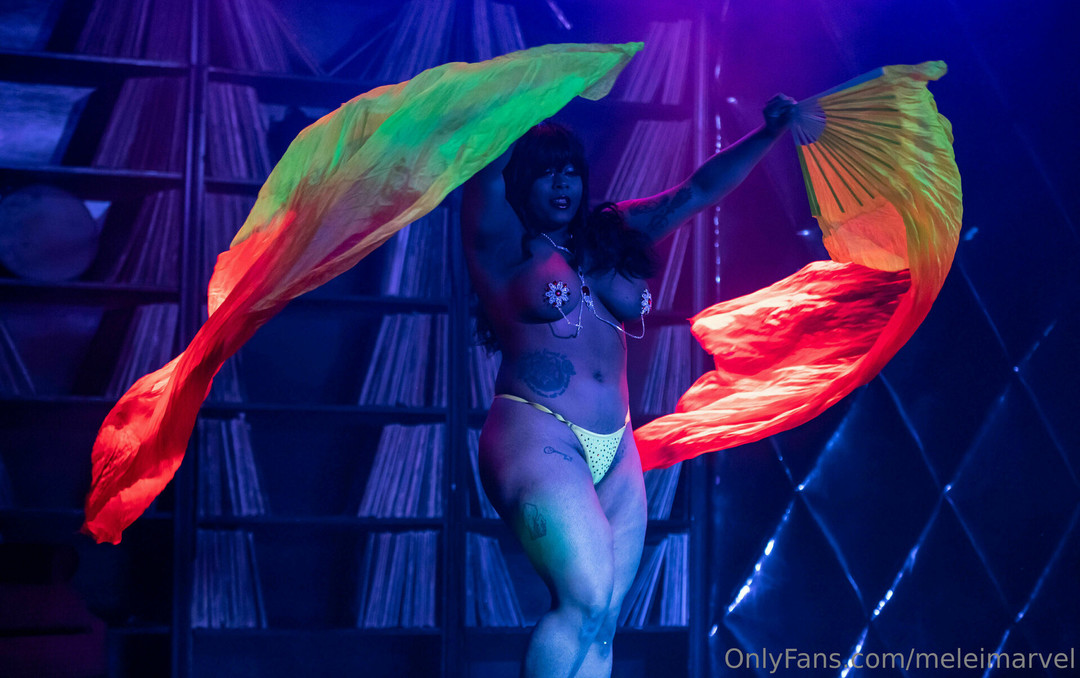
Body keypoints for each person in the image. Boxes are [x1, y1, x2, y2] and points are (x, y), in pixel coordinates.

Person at [461, 94, 796, 678]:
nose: (562, 184)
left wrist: (768, 134)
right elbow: (484, 168)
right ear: (520, 179)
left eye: (571, 171)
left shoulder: (607, 234)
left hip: (616, 443)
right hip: (536, 433)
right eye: (546, 172)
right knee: (585, 598)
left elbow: (696, 191)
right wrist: (528, 89)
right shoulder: (500, 242)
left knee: (604, 616)